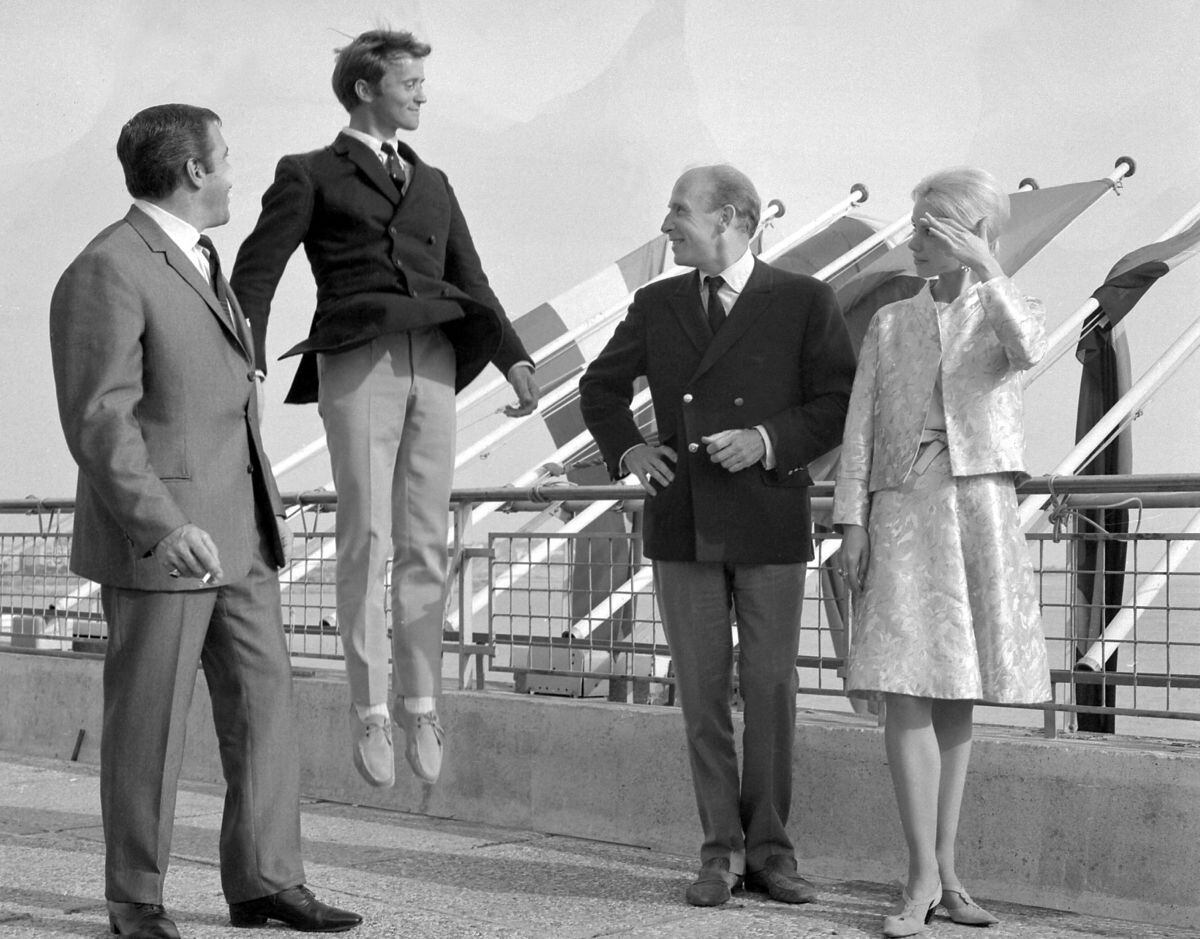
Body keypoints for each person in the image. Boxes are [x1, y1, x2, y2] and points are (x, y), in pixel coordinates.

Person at [49, 104, 361, 938]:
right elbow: (100, 420)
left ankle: (265, 880)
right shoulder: (109, 267)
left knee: (266, 708)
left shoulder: (201, 259)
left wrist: (269, 504)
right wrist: (160, 522)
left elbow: (226, 410)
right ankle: (136, 899)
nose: (233, 169)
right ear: (191, 170)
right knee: (148, 726)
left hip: (242, 535)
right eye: (226, 156)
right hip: (165, 544)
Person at [230, 30, 538, 789]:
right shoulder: (307, 173)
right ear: (367, 87)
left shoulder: (433, 180)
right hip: (358, 355)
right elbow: (256, 275)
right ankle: (369, 709)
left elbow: (474, 276)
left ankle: (422, 702)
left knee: (427, 541)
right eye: (410, 81)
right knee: (367, 534)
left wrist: (516, 356)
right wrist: (243, 365)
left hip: (435, 357)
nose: (422, 93)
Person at [580, 165, 855, 907]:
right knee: (700, 693)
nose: (666, 224)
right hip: (682, 520)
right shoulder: (657, 301)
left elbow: (837, 401)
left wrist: (766, 438)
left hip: (768, 515)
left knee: (770, 690)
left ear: (733, 218)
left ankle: (772, 850)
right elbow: (599, 387)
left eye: (679, 211)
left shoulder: (804, 299)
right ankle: (719, 852)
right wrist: (630, 449)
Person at [833, 166, 1052, 937]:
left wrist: (990, 266)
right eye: (916, 225)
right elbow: (859, 427)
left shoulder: (1007, 305)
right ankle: (920, 874)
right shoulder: (890, 322)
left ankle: (948, 874)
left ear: (970, 233)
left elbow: (1027, 349)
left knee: (958, 690)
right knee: (903, 685)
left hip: (976, 511)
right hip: (901, 512)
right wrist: (849, 521)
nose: (915, 240)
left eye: (933, 228)